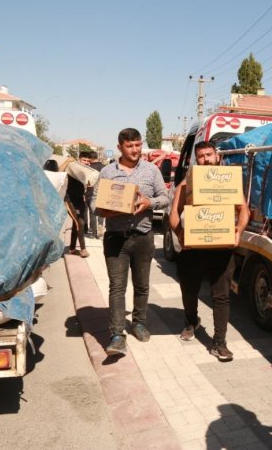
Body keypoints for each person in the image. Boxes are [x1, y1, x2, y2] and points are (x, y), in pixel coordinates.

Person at [169, 141, 250, 361]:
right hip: (192, 249)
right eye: (201, 156)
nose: (205, 159)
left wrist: (238, 234)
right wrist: (181, 235)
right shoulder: (186, 185)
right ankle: (191, 321)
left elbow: (244, 210)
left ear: (217, 157)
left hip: (221, 249)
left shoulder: (229, 184)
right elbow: (174, 215)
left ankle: (219, 342)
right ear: (196, 160)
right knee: (189, 290)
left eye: (209, 155)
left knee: (221, 296)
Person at [91, 128, 170, 356]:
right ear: (120, 147)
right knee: (117, 287)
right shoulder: (107, 172)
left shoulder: (151, 170)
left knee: (142, 284)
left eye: (138, 145)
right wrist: (106, 211)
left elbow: (165, 198)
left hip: (143, 236)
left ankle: (139, 323)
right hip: (116, 238)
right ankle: (117, 335)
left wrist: (149, 203)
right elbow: (94, 204)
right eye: (130, 146)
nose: (135, 150)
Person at [67, 152, 90, 258]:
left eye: (88, 161)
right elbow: (61, 170)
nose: (86, 162)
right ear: (79, 159)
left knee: (77, 224)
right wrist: (67, 161)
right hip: (70, 200)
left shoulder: (86, 172)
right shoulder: (71, 169)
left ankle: (72, 248)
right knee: (80, 223)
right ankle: (83, 249)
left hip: (80, 200)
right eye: (84, 160)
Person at [85, 150, 106, 239]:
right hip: (102, 192)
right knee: (101, 212)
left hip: (90, 192)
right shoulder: (105, 168)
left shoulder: (88, 168)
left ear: (90, 158)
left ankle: (93, 232)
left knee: (92, 212)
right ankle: (100, 229)